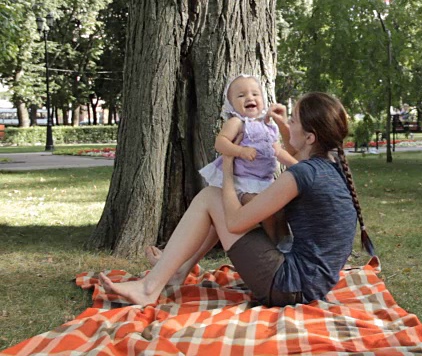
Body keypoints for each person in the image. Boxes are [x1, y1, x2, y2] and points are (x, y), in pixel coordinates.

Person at [99, 91, 374, 307]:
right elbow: (295, 151)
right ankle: (178, 270)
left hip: (287, 286)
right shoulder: (330, 167)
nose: (287, 125)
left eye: (293, 121)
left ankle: (149, 288)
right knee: (230, 203)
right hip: (309, 284)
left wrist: (227, 166)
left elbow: (234, 223)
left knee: (211, 197)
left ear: (311, 137)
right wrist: (280, 122)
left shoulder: (302, 174)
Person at [198, 74, 296, 244]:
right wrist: (240, 151)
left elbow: (278, 151)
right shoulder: (237, 122)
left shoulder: (269, 127)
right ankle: (274, 245)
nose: (249, 97)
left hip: (265, 182)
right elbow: (220, 143)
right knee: (264, 209)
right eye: (241, 95)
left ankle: (286, 242)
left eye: (255, 94)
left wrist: (298, 166)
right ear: (232, 104)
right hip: (243, 182)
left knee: (279, 211)